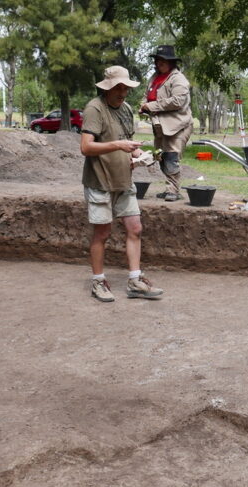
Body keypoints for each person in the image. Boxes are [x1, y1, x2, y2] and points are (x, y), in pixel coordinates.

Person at [82, 65, 163, 302]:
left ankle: (135, 280)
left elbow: (129, 146)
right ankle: (98, 282)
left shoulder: (126, 109)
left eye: (125, 87)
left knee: (135, 228)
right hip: (99, 180)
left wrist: (141, 156)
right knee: (103, 232)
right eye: (118, 87)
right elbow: (86, 147)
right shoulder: (94, 109)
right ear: (107, 88)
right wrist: (118, 145)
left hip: (123, 179)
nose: (122, 92)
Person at [139, 45, 192, 202]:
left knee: (171, 157)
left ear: (171, 62)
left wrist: (152, 106)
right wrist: (143, 106)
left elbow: (178, 101)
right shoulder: (154, 78)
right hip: (161, 126)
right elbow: (146, 96)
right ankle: (170, 188)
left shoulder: (179, 79)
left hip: (178, 125)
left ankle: (173, 190)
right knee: (161, 156)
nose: (159, 63)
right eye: (157, 60)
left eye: (163, 61)